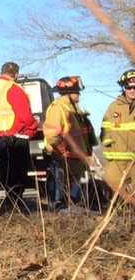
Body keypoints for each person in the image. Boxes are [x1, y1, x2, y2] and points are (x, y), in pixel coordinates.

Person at [0, 62, 38, 211]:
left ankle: (7, 204)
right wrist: (33, 127)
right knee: (17, 171)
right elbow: (25, 115)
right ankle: (15, 204)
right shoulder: (14, 88)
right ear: (15, 73)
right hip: (16, 135)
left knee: (5, 170)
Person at [43, 76, 89, 211]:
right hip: (64, 157)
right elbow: (51, 133)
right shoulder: (58, 108)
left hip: (75, 157)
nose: (79, 94)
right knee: (61, 188)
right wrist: (61, 149)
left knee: (75, 191)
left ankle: (72, 208)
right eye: (77, 91)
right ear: (69, 92)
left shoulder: (74, 109)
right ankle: (60, 208)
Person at [100, 68, 135, 194]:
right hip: (116, 161)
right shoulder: (114, 107)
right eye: (129, 87)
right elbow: (104, 131)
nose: (132, 90)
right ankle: (119, 212)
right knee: (112, 187)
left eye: (134, 88)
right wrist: (109, 149)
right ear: (123, 88)